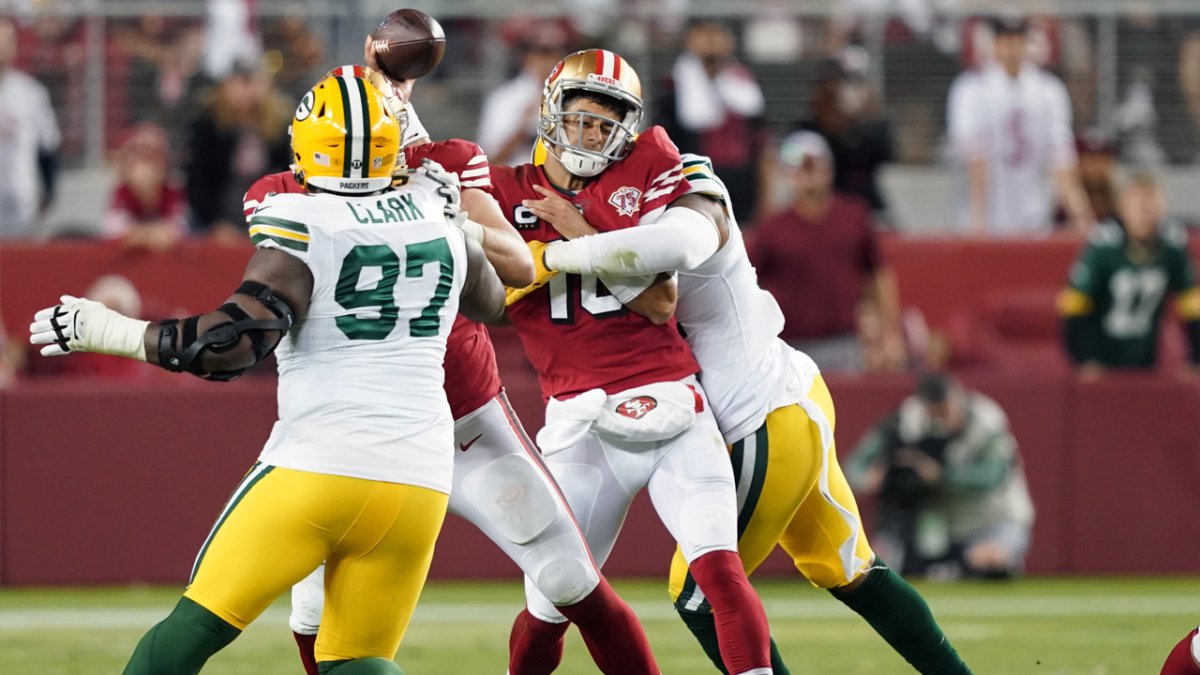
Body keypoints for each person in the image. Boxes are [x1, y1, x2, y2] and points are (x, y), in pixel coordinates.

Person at [30, 70, 506, 675]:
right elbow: (493, 303)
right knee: (354, 664)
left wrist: (108, 331)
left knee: (182, 638)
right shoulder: (435, 214)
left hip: (319, 469)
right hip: (419, 477)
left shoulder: (302, 219)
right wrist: (456, 222)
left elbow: (227, 346)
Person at [243, 59, 659, 674]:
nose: (364, 153)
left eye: (376, 134)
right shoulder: (278, 197)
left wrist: (456, 217)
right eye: (348, 138)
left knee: (571, 576)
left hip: (462, 415)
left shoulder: (446, 167)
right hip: (349, 431)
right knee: (312, 616)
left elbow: (515, 269)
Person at [532, 153, 974, 673]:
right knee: (851, 569)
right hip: (785, 394)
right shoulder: (593, 204)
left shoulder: (676, 181)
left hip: (759, 414)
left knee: (699, 593)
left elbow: (675, 257)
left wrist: (577, 240)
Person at [492, 49, 775, 675]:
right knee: (550, 603)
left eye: (603, 124)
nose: (590, 135)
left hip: (671, 399)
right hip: (579, 421)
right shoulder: (501, 190)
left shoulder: (645, 170)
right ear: (550, 114)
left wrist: (574, 237)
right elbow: (483, 304)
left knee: (719, 568)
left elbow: (658, 300)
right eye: (578, 119)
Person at [846, 374, 1035, 580]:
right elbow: (855, 465)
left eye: (945, 411)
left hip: (994, 518)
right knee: (888, 564)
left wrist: (941, 476)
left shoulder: (987, 419)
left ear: (958, 397)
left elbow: (993, 475)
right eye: (934, 414)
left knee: (989, 559)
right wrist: (873, 477)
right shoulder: (908, 418)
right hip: (943, 526)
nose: (942, 421)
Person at [749, 130, 905, 373]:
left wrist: (889, 333)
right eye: (802, 166)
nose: (809, 173)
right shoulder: (772, 229)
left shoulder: (853, 217)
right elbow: (750, 286)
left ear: (829, 168)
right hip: (790, 346)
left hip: (844, 342)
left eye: (815, 164)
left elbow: (878, 276)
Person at [946, 15, 1091, 235]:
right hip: (982, 218)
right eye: (1005, 41)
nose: (1011, 49)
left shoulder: (1049, 90)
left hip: (1034, 216)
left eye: (1017, 41)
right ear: (994, 44)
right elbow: (975, 159)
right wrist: (978, 222)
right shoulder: (970, 89)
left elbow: (1061, 159)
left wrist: (1080, 215)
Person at [1057, 173, 1200, 376]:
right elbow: (1074, 307)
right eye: (1138, 206)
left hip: (1146, 360)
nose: (1146, 213)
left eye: (1151, 205)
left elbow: (1192, 306)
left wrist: (1195, 360)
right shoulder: (1104, 246)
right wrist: (1086, 358)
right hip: (1103, 358)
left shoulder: (1172, 247)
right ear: (1122, 207)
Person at [659, 18, 767, 224]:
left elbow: (761, 145)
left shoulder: (747, 86)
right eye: (704, 33)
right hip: (696, 189)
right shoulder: (673, 87)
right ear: (690, 40)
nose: (711, 40)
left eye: (717, 34)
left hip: (743, 190)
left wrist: (764, 200)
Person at [185, 60, 292, 242]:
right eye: (240, 83)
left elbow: (288, 174)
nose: (246, 91)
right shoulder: (208, 124)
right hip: (218, 219)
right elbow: (199, 180)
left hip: (268, 218)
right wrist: (216, 223)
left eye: (252, 82)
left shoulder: (281, 124)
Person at [796, 46, 895, 222]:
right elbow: (797, 159)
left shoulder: (872, 128)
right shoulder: (808, 128)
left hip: (866, 205)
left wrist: (860, 121)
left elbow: (885, 155)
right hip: (821, 210)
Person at [0, 16, 61, 239]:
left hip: (21, 205)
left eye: (7, 40)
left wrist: (49, 192)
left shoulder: (31, 93)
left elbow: (49, 146)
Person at [476, 21, 568, 167]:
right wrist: (524, 124)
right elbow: (490, 160)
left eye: (555, 52)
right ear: (526, 56)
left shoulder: (577, 97)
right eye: (541, 52)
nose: (548, 60)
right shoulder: (504, 97)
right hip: (516, 180)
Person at [103, 124, 188, 252]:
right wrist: (145, 236)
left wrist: (149, 236)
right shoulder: (122, 193)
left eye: (155, 159)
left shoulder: (172, 192)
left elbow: (179, 230)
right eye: (141, 159)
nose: (148, 169)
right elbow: (113, 231)